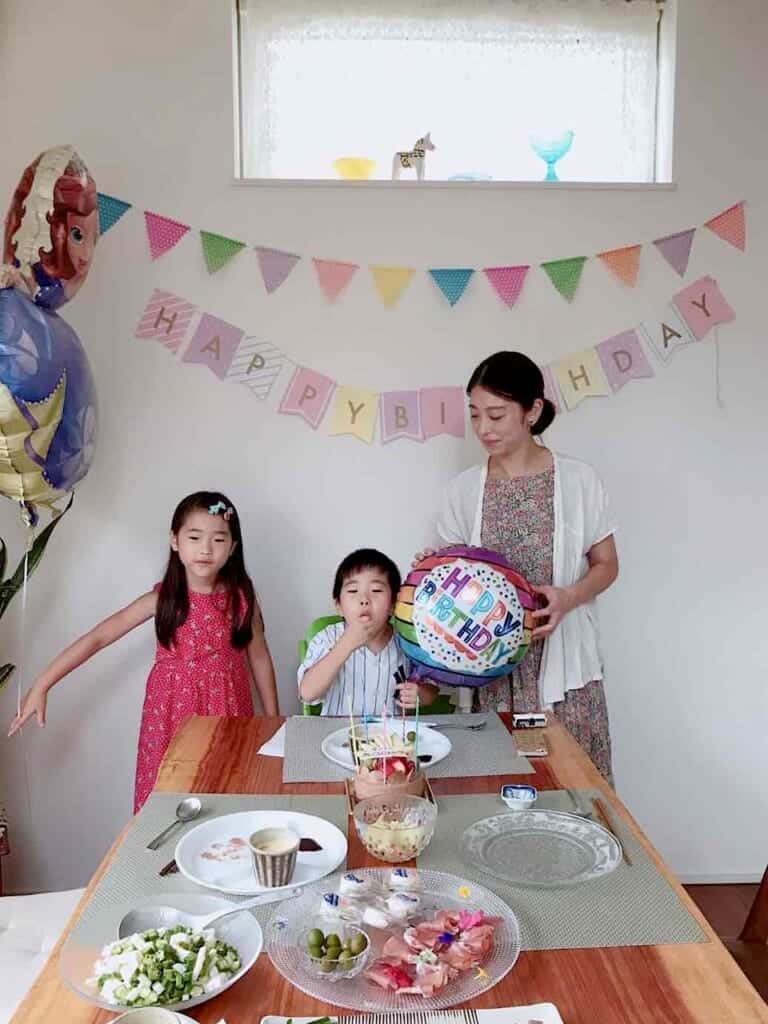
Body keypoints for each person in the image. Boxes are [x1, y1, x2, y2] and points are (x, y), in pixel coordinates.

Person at [8, 491, 279, 810]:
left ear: (232, 548)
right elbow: (98, 637)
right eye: (195, 537)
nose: (205, 548)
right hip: (170, 717)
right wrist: (43, 684)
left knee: (229, 794)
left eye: (218, 539)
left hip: (228, 712)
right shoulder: (161, 601)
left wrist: (274, 721)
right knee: (167, 801)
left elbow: (259, 657)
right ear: (175, 540)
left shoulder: (241, 600)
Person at [435, 351, 618, 782]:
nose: (483, 429)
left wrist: (568, 598)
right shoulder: (462, 492)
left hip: (565, 668)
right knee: (503, 792)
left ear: (533, 410)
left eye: (496, 415)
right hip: (494, 675)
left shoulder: (579, 480)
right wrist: (433, 571)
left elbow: (607, 564)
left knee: (574, 790)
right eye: (476, 415)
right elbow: (450, 585)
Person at [298, 548, 439, 716]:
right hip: (339, 737)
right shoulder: (327, 638)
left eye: (376, 591)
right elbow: (307, 693)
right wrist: (345, 645)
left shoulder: (408, 640)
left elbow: (432, 689)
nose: (364, 599)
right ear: (339, 606)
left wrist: (420, 695)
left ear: (393, 604)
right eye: (352, 591)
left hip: (390, 737)